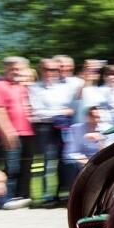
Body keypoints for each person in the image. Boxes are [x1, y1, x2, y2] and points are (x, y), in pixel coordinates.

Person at [0, 56, 34, 209]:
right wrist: (6, 132)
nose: (15, 72)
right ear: (5, 69)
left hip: (29, 133)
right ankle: (5, 199)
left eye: (19, 69)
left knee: (26, 168)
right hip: (12, 133)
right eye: (12, 69)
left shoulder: (25, 86)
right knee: (12, 168)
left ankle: (22, 197)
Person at [29, 58, 75, 205]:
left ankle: (61, 193)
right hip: (45, 128)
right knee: (47, 162)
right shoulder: (35, 88)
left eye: (54, 69)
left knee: (64, 161)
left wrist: (60, 112)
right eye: (47, 69)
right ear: (41, 70)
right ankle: (46, 196)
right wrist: (60, 112)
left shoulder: (65, 88)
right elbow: (37, 112)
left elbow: (72, 108)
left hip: (63, 128)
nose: (50, 72)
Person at [61, 104, 109, 193]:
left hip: (100, 163)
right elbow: (71, 152)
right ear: (87, 117)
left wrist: (100, 140)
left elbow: (109, 153)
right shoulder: (76, 129)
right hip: (82, 163)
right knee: (72, 166)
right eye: (93, 117)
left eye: (98, 117)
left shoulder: (107, 130)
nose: (96, 120)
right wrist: (86, 162)